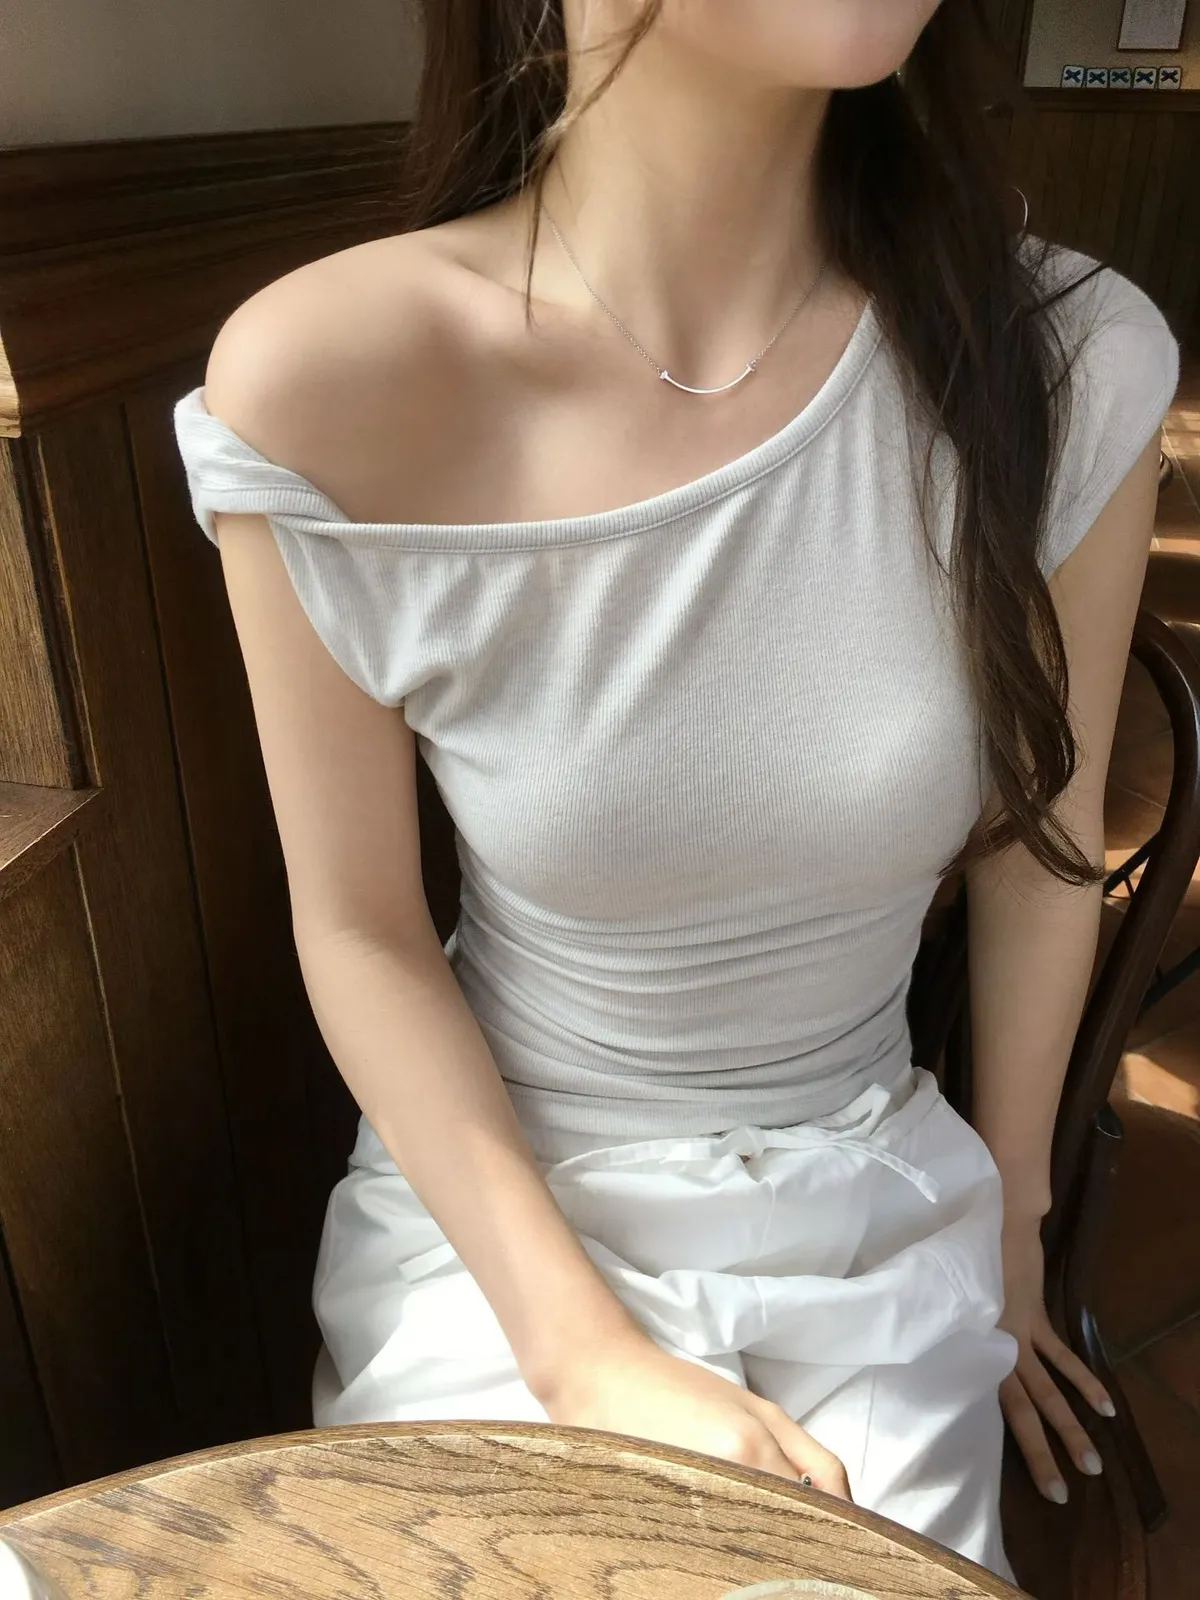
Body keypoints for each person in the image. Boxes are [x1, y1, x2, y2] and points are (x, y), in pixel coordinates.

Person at [172, 0, 1179, 1582]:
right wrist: (585, 1357)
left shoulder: (1062, 353)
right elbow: (361, 927)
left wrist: (1010, 1232)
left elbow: (1038, 850)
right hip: (503, 1221)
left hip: (870, 1203)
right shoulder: (328, 378)